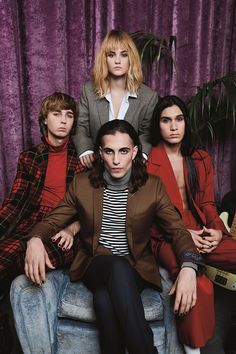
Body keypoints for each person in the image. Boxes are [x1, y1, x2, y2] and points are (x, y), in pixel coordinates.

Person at [24, 119, 202, 354]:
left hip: (136, 267)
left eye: (123, 151)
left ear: (135, 152)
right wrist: (34, 239)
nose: (116, 160)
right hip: (94, 264)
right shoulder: (82, 183)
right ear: (100, 153)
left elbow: (177, 230)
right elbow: (52, 220)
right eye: (109, 151)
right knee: (115, 267)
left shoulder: (153, 186)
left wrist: (189, 266)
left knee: (105, 301)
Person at [147, 95, 236, 354]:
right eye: (166, 120)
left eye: (179, 119)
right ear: (158, 125)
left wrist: (218, 233)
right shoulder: (147, 161)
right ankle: (194, 351)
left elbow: (208, 204)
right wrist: (184, 233)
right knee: (196, 284)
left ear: (186, 122)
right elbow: (146, 216)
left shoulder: (200, 157)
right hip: (166, 235)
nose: (174, 126)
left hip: (204, 230)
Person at [0, 92, 83, 353]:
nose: (63, 121)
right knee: (8, 254)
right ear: (44, 120)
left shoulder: (83, 161)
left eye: (69, 115)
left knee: (29, 255)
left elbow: (92, 209)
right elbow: (14, 204)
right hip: (31, 223)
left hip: (65, 230)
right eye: (56, 114)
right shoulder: (30, 157)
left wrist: (72, 228)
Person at [73, 29, 158, 168]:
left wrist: (141, 155)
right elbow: (81, 125)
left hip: (131, 167)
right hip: (96, 165)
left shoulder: (148, 96)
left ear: (131, 58)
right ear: (104, 59)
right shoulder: (89, 90)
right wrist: (85, 150)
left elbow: (146, 132)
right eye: (111, 55)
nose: (117, 61)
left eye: (124, 55)